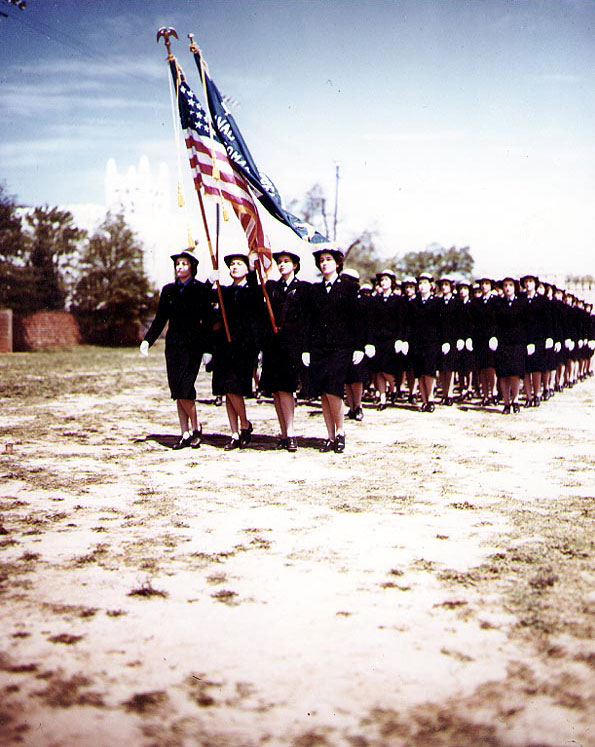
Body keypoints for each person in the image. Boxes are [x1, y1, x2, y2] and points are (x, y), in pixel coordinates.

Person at [140, 248, 213, 449]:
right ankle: (185, 433)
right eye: (177, 264)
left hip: (193, 346)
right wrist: (148, 340)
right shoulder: (168, 290)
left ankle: (197, 428)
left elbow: (207, 320)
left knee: (185, 388)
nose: (180, 267)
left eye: (184, 264)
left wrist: (208, 349)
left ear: (192, 268)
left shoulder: (200, 289)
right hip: (173, 346)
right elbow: (160, 319)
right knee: (176, 391)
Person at [302, 247, 365, 453]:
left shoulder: (348, 288)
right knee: (323, 392)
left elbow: (358, 320)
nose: (324, 263)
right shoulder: (315, 290)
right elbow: (309, 323)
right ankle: (329, 436)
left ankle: (340, 432)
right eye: (321, 260)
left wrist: (359, 348)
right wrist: (306, 349)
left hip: (341, 348)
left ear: (337, 263)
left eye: (328, 259)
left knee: (333, 389)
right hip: (319, 348)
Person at [260, 250, 311, 451]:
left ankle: (290, 433)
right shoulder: (271, 287)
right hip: (273, 345)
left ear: (295, 265)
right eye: (279, 262)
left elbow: (307, 320)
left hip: (292, 345)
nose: (282, 265)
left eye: (286, 262)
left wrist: (305, 347)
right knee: (275, 389)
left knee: (287, 388)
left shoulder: (303, 288)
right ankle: (282, 432)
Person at [212, 253, 262, 450]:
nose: (234, 267)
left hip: (243, 348)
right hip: (224, 347)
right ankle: (234, 432)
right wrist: (211, 279)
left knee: (235, 389)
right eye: (231, 264)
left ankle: (244, 423)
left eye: (239, 264)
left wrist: (252, 269)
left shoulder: (252, 291)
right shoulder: (223, 291)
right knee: (226, 390)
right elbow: (205, 300)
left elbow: (256, 303)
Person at [406, 273, 444, 412]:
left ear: (431, 286)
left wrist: (443, 341)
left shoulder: (437, 302)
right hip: (416, 342)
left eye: (425, 283)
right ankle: (424, 400)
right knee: (420, 372)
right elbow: (409, 324)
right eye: (420, 283)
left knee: (429, 371)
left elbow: (442, 324)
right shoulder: (413, 303)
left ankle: (431, 398)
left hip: (432, 341)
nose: (422, 286)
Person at [368, 269, 404, 410]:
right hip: (378, 340)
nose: (383, 283)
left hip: (391, 339)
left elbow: (401, 322)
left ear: (392, 283)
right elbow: (370, 322)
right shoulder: (375, 300)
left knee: (386, 369)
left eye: (386, 280)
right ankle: (382, 398)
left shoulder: (398, 300)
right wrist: (370, 342)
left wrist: (400, 339)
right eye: (381, 280)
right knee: (378, 370)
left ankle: (394, 387)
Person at [492, 276, 527, 413]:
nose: (507, 288)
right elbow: (494, 323)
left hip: (517, 343)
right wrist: (493, 337)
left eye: (510, 285)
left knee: (515, 373)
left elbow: (526, 324)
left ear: (515, 287)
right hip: (503, 343)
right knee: (503, 374)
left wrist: (527, 342)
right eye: (505, 285)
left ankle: (516, 400)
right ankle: (506, 402)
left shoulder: (521, 303)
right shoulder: (498, 304)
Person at [472, 276, 498, 406]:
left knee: (491, 367)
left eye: (487, 284)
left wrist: (495, 336)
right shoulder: (476, 302)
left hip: (491, 338)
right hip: (479, 339)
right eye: (482, 284)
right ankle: (485, 395)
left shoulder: (496, 301)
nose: (484, 286)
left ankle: (494, 393)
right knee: (481, 368)